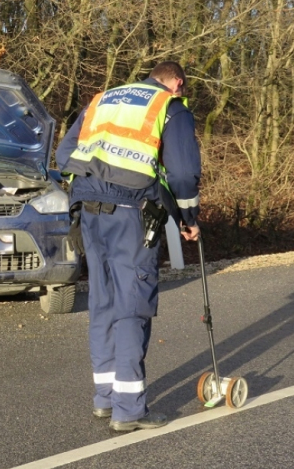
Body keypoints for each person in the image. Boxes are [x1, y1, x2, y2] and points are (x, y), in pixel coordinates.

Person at [56, 61, 201, 432]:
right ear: (177, 84)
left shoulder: (102, 100)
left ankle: (105, 399)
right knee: (132, 304)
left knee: (102, 300)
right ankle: (130, 410)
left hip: (89, 212)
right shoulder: (170, 107)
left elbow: (65, 155)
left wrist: (82, 193)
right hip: (130, 214)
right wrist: (188, 218)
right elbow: (183, 173)